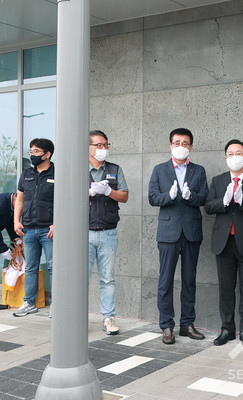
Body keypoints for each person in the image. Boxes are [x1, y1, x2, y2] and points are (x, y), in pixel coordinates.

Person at [204, 139, 243, 347]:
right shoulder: (218, 180)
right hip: (223, 242)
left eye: (238, 153)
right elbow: (208, 206)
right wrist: (223, 202)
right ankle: (227, 329)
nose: (234, 157)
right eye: (230, 154)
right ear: (225, 158)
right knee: (226, 288)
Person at [148, 128, 208, 345]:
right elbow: (152, 198)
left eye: (185, 143)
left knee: (189, 280)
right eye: (177, 142)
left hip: (191, 231)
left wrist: (191, 196)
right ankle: (166, 325)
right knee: (165, 281)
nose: (181, 146)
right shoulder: (159, 169)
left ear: (191, 146)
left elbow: (204, 197)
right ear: (170, 145)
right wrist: (169, 196)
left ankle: (187, 324)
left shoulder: (198, 171)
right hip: (168, 232)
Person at [88, 130, 129, 335]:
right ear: (88, 147)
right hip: (83, 233)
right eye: (99, 145)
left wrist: (108, 191)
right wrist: (89, 192)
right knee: (81, 278)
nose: (103, 148)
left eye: (105, 145)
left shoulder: (115, 169)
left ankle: (108, 317)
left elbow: (124, 196)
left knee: (107, 279)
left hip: (108, 232)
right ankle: (77, 317)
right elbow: (66, 196)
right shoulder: (77, 168)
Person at [13, 138, 55, 317]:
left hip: (49, 230)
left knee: (53, 267)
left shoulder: (57, 173)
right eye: (31, 152)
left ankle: (57, 304)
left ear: (47, 154)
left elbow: (64, 200)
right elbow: (20, 199)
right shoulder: (26, 174)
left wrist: (57, 223)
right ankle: (29, 302)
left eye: (36, 152)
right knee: (30, 267)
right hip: (29, 229)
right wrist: (16, 221)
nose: (32, 155)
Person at [0, 192, 18, 310]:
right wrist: (3, 249)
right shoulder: (2, 202)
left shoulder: (12, 208)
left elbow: (11, 226)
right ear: (15, 197)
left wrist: (17, 240)